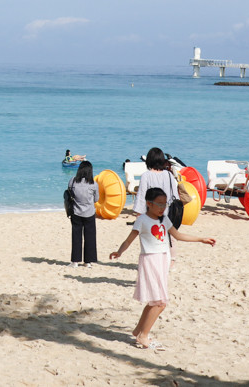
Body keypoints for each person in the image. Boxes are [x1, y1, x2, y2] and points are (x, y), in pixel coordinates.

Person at [110, 186, 216, 349]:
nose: (162, 207)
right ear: (149, 204)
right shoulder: (142, 220)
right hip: (150, 261)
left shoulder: (164, 220)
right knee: (160, 302)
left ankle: (138, 330)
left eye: (164, 204)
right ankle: (143, 336)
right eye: (159, 204)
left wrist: (201, 239)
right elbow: (129, 240)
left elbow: (178, 236)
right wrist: (119, 252)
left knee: (155, 300)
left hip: (163, 260)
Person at [131, 147, 193, 222]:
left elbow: (142, 197)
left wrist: (138, 216)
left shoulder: (146, 175)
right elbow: (175, 196)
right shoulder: (169, 175)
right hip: (167, 215)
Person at [67, 160, 99, 267]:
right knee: (90, 237)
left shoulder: (72, 181)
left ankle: (75, 261)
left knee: (76, 237)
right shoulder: (93, 184)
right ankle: (88, 262)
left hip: (76, 212)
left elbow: (70, 193)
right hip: (89, 213)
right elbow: (96, 199)